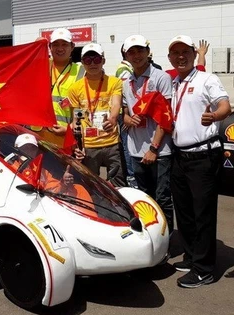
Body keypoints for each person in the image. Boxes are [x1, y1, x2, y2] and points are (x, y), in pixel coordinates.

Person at [167, 35, 231, 288]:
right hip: (180, 156)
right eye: (175, 52)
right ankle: (192, 257)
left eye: (185, 52)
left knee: (202, 214)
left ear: (194, 54)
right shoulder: (174, 83)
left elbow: (225, 106)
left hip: (203, 156)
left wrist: (214, 116)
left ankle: (204, 270)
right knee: (184, 213)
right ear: (170, 57)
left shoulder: (207, 79)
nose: (180, 56)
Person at [121, 35, 174, 234]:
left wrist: (153, 148)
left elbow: (166, 117)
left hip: (159, 151)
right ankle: (152, 237)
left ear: (148, 52)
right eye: (131, 52)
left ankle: (167, 239)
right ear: (126, 55)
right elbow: (126, 111)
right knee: (146, 199)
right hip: (136, 149)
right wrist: (126, 119)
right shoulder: (126, 82)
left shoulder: (161, 77)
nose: (137, 55)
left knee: (162, 198)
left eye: (140, 50)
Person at [67, 43, 126, 187]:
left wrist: (112, 119)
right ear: (82, 63)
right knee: (90, 185)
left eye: (97, 59)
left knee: (118, 185)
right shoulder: (75, 88)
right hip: (89, 145)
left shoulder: (114, 82)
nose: (92, 63)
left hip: (111, 143)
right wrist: (77, 145)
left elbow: (116, 104)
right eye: (87, 60)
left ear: (103, 61)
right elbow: (76, 119)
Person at [30, 28, 84, 147]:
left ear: (72, 46)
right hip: (36, 133)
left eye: (64, 44)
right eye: (55, 44)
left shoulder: (81, 72)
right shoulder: (41, 64)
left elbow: (83, 106)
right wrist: (38, 44)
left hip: (64, 136)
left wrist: (70, 128)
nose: (60, 48)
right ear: (50, 47)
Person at [115, 44, 137, 188]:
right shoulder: (123, 70)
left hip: (129, 114)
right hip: (126, 115)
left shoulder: (129, 68)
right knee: (128, 147)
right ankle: (131, 178)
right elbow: (127, 94)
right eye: (132, 52)